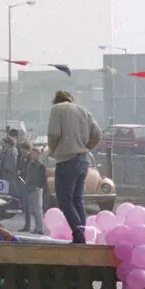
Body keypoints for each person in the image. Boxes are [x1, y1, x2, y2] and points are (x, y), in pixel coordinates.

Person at [45, 90, 102, 244]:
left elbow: (53, 134)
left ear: (56, 100)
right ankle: (82, 233)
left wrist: (53, 150)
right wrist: (85, 147)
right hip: (83, 160)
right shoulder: (84, 111)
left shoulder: (57, 109)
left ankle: (78, 234)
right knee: (78, 200)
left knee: (65, 200)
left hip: (66, 160)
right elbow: (97, 135)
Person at [20, 146, 48, 234]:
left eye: (33, 154)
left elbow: (43, 179)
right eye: (31, 154)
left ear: (38, 155)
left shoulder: (41, 165)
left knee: (37, 209)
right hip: (28, 188)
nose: (31, 155)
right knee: (32, 209)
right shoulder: (29, 164)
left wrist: (37, 187)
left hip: (36, 189)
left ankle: (39, 228)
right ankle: (35, 227)